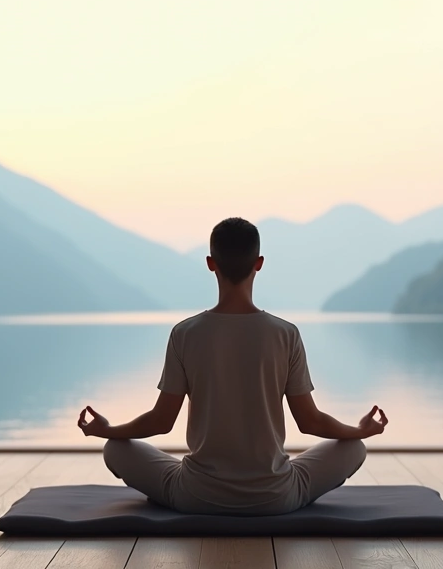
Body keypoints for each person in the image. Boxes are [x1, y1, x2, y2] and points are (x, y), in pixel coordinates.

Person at [76, 217, 389, 516]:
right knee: (355, 448)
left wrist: (108, 430)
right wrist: (359, 431)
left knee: (114, 449)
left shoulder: (185, 334)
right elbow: (310, 422)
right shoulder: (286, 334)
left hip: (196, 496)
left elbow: (161, 421)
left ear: (211, 263)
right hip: (276, 497)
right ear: (259, 263)